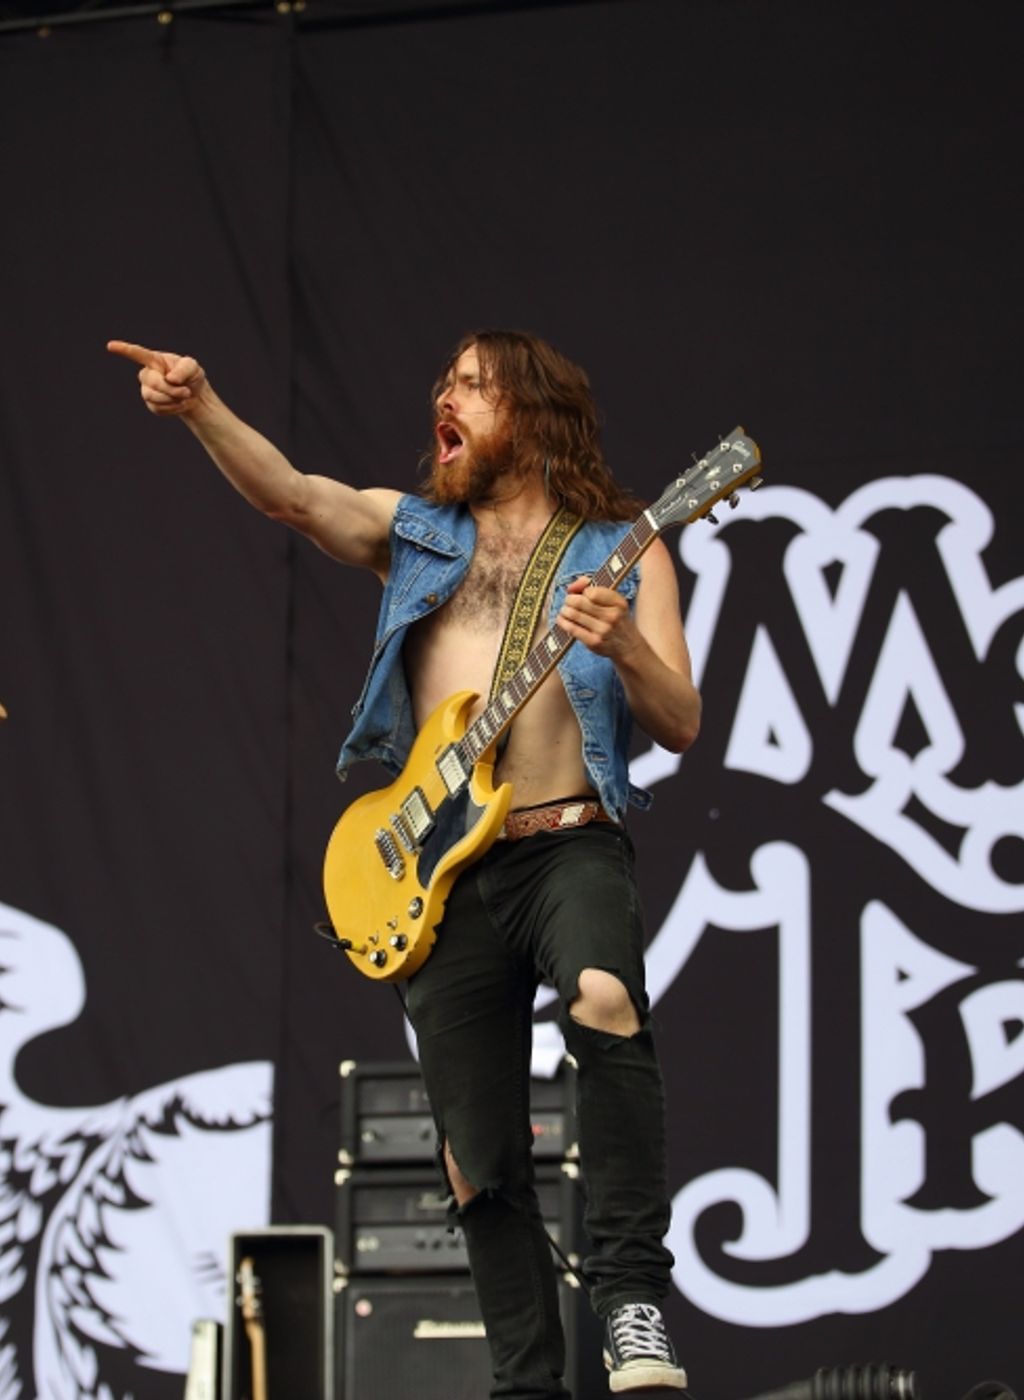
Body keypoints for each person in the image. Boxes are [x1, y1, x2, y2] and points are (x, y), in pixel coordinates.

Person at [109, 328, 699, 1397]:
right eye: (444, 382)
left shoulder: (625, 545)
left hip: (567, 839)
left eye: (472, 384)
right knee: (473, 1157)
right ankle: (527, 1378)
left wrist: (624, 648)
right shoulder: (418, 531)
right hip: (443, 871)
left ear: (532, 413)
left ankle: (629, 1298)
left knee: (604, 993)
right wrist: (200, 405)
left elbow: (680, 719)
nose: (447, 396)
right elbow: (290, 494)